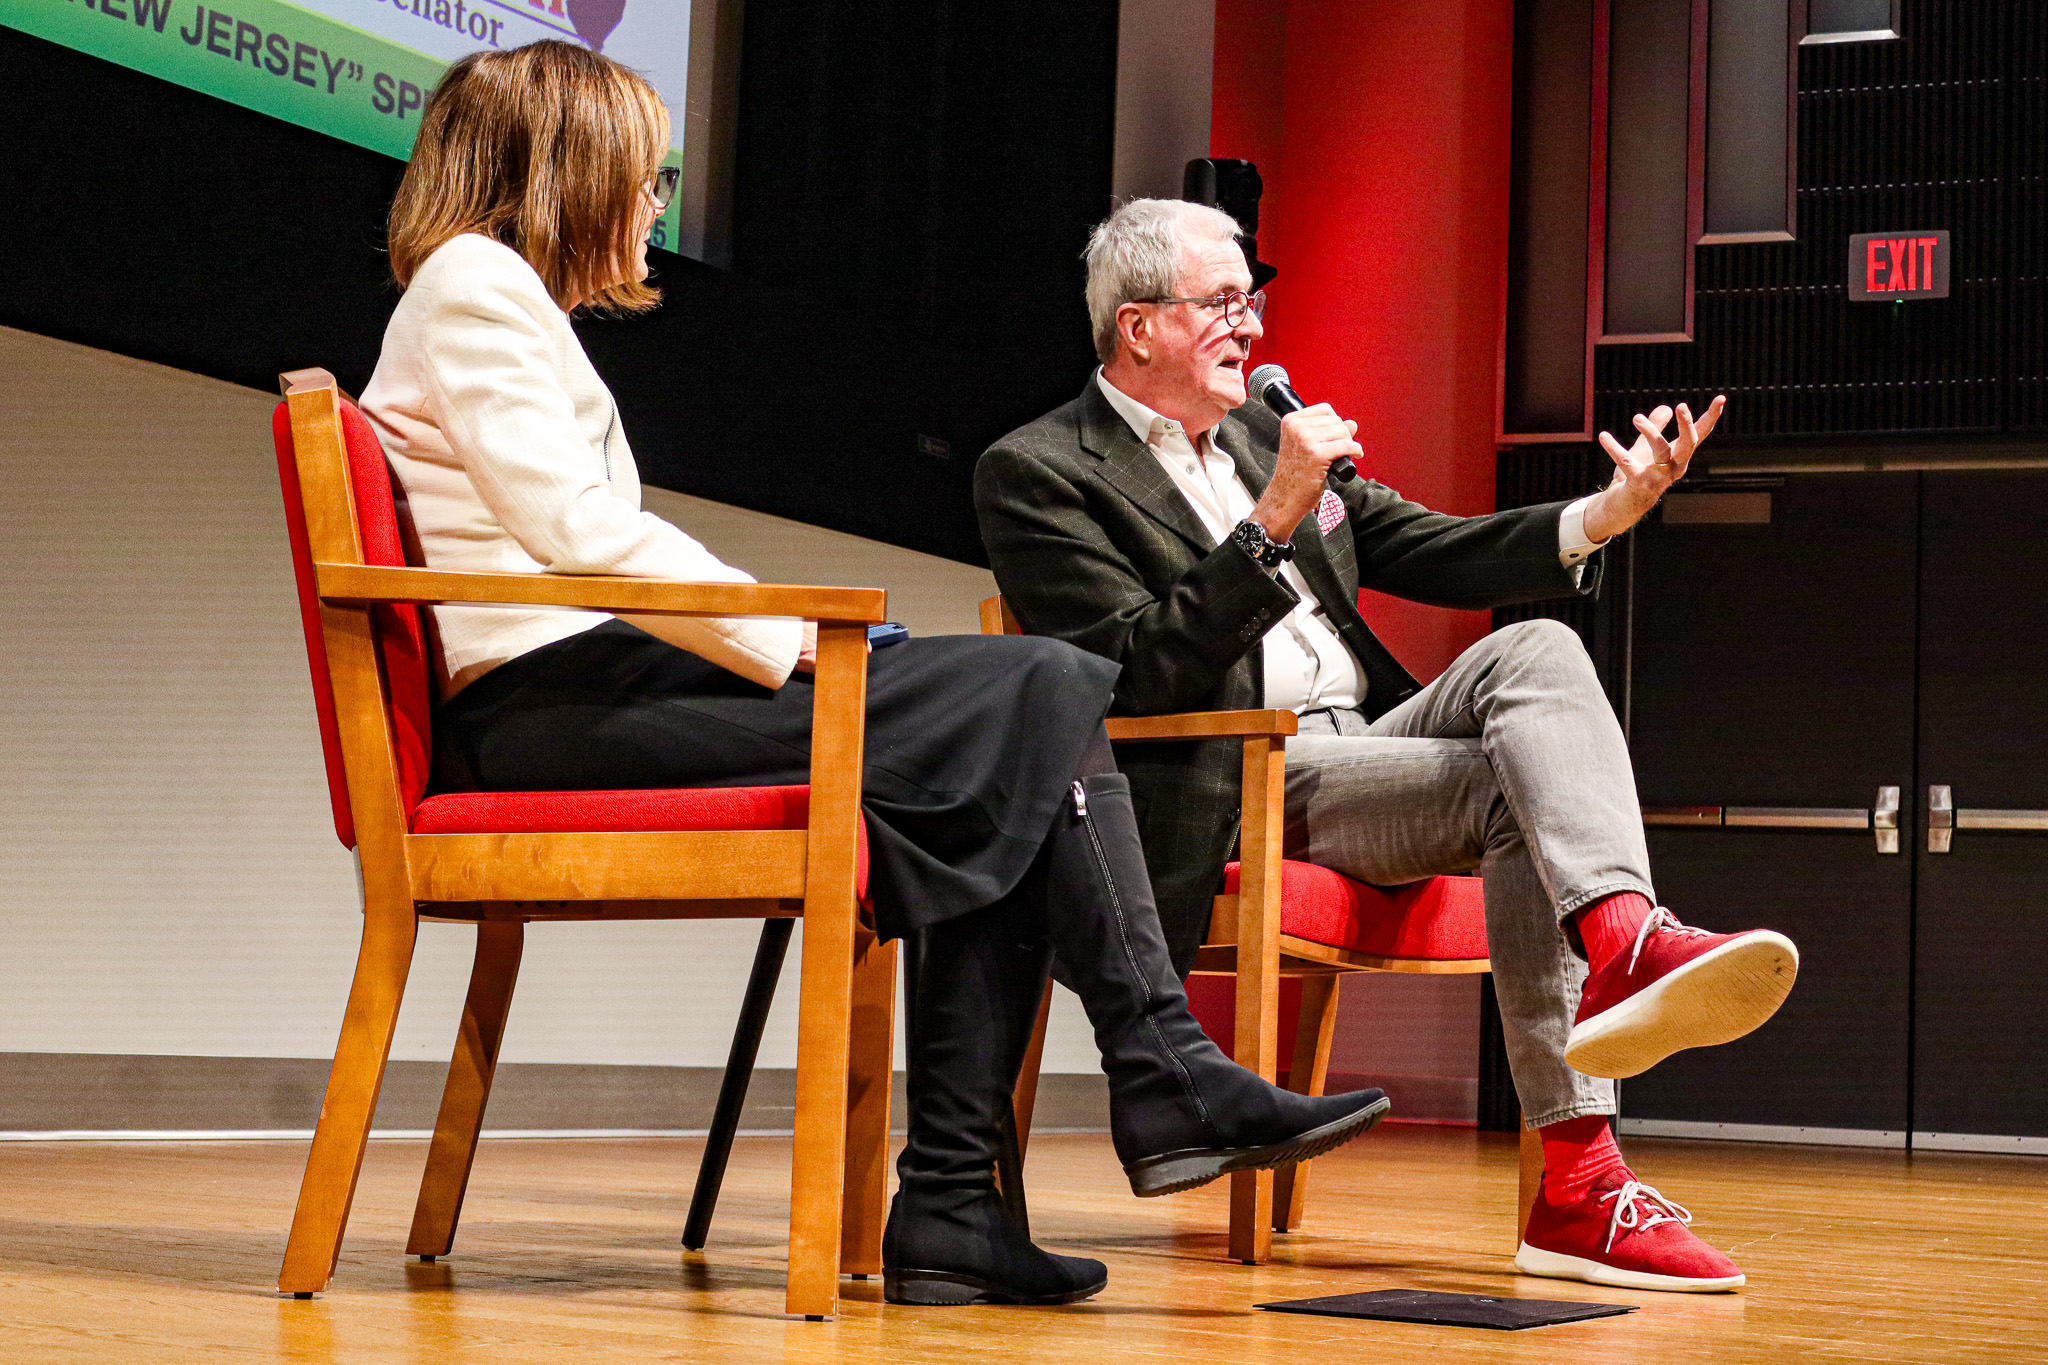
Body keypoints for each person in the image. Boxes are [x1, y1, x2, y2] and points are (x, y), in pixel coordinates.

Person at [356, 46, 1389, 1309]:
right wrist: (789, 636)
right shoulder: (475, 286)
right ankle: (1143, 1080)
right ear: (567, 167)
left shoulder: (499, 300)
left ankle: (964, 1206)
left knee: (995, 747)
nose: (656, 203)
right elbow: (571, 528)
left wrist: (782, 633)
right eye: (644, 175)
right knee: (1043, 688)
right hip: (541, 711)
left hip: (580, 686)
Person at [973, 198, 1801, 1293]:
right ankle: (1581, 1182)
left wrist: (1604, 511)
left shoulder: (1265, 437)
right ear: (1138, 328)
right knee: (1521, 795)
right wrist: (1269, 518)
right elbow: (1131, 675)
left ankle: (1621, 945)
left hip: (1354, 749)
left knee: (1538, 646)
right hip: (1228, 772)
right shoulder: (1039, 470)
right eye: (1222, 302)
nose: (1250, 327)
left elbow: (1433, 547)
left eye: (1248, 301)